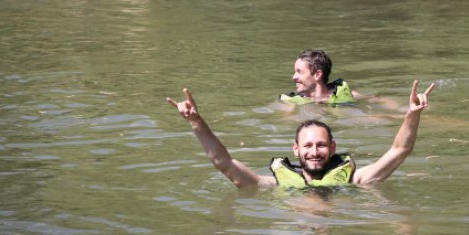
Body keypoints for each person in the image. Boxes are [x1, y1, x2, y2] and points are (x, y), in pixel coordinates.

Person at [167, 80, 435, 189]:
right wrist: (196, 121)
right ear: (295, 149)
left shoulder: (355, 181)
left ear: (333, 148)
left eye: (321, 145)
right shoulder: (274, 184)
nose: (314, 152)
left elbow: (400, 151)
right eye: (307, 146)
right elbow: (223, 163)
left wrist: (412, 114)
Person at [279, 49, 362, 105]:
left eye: (299, 72)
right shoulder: (290, 101)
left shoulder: (346, 93)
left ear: (317, 75)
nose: (294, 77)